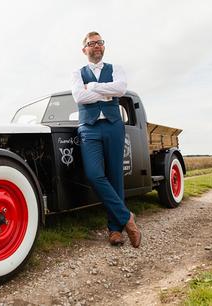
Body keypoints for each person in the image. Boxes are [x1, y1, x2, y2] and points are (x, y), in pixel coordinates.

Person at [71, 31, 141, 247]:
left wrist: (92, 88)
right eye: (91, 43)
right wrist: (106, 93)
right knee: (94, 174)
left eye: (100, 42)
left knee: (115, 176)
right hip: (89, 128)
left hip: (113, 126)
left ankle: (115, 230)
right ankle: (127, 217)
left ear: (104, 46)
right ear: (84, 50)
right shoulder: (77, 73)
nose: (97, 46)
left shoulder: (115, 69)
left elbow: (120, 89)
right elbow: (79, 97)